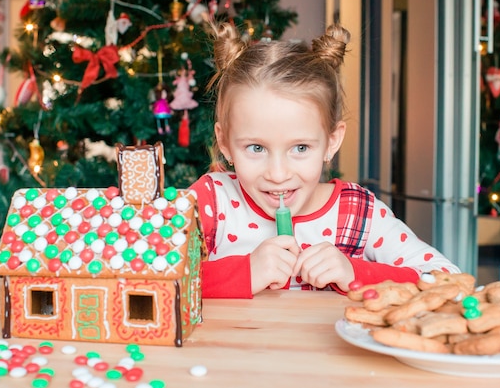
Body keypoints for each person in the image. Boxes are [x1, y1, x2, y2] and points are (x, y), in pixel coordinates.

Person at [190, 22, 460, 299]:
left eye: (301, 148)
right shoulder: (210, 202)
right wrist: (242, 273)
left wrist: (355, 273)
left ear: (331, 142)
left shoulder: (359, 213)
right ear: (224, 143)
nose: (278, 173)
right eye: (256, 148)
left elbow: (449, 280)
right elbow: (145, 278)